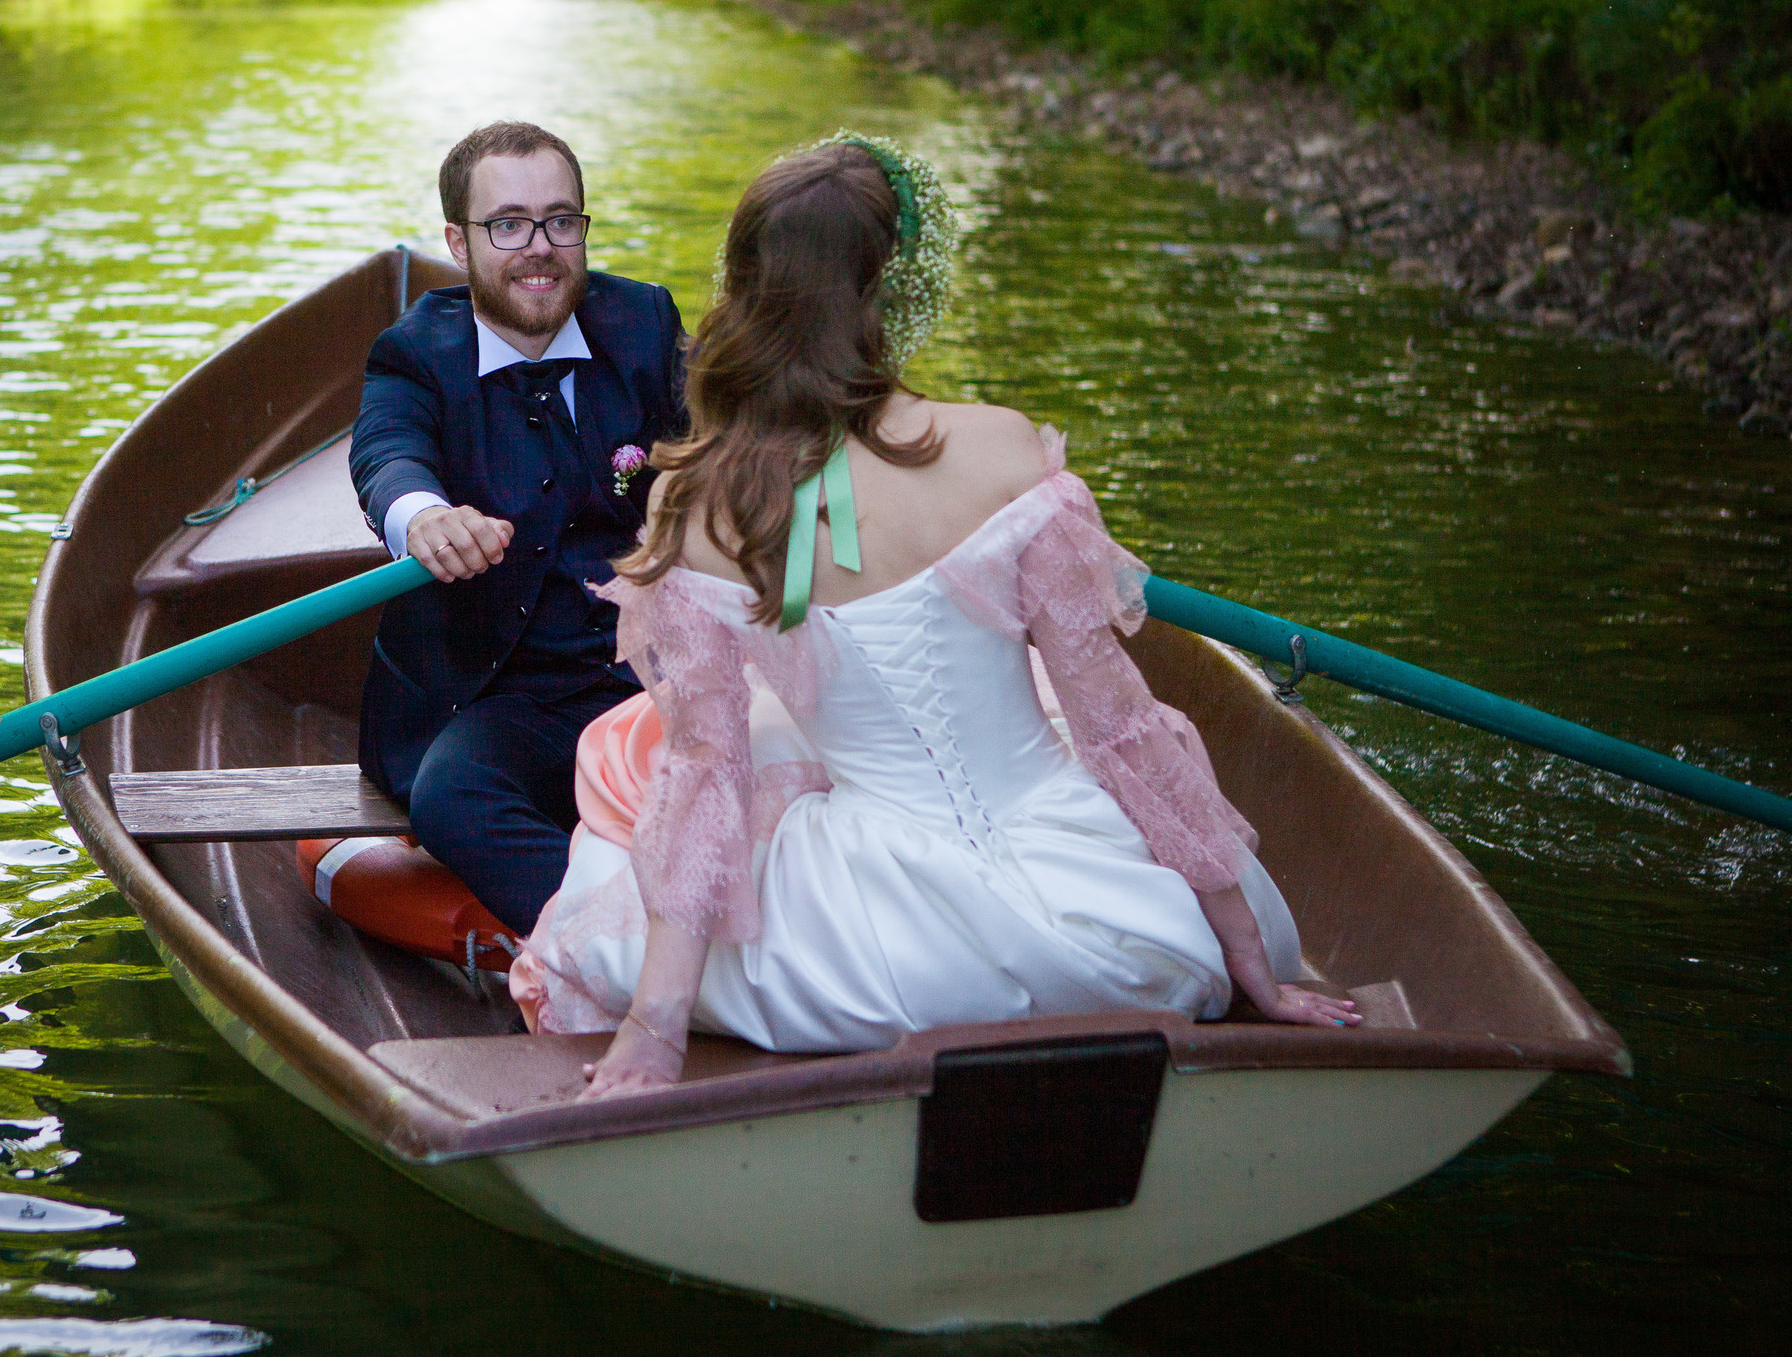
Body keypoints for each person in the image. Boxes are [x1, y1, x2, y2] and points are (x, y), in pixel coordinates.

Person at [507, 135, 1359, 1097]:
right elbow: (1117, 727)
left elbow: (705, 782)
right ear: (884, 289)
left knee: (638, 825)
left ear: (743, 289)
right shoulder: (1001, 449)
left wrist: (653, 1033)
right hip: (1122, 934)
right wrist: (1243, 950)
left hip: (881, 960)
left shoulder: (697, 504)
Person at [348, 121, 689, 935]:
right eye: (508, 224)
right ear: (459, 244)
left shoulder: (642, 321)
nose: (539, 246)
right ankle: (621, 946)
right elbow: (387, 455)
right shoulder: (413, 353)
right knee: (451, 797)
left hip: (645, 677)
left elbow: (730, 442)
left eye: (561, 220)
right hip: (496, 700)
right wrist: (422, 516)